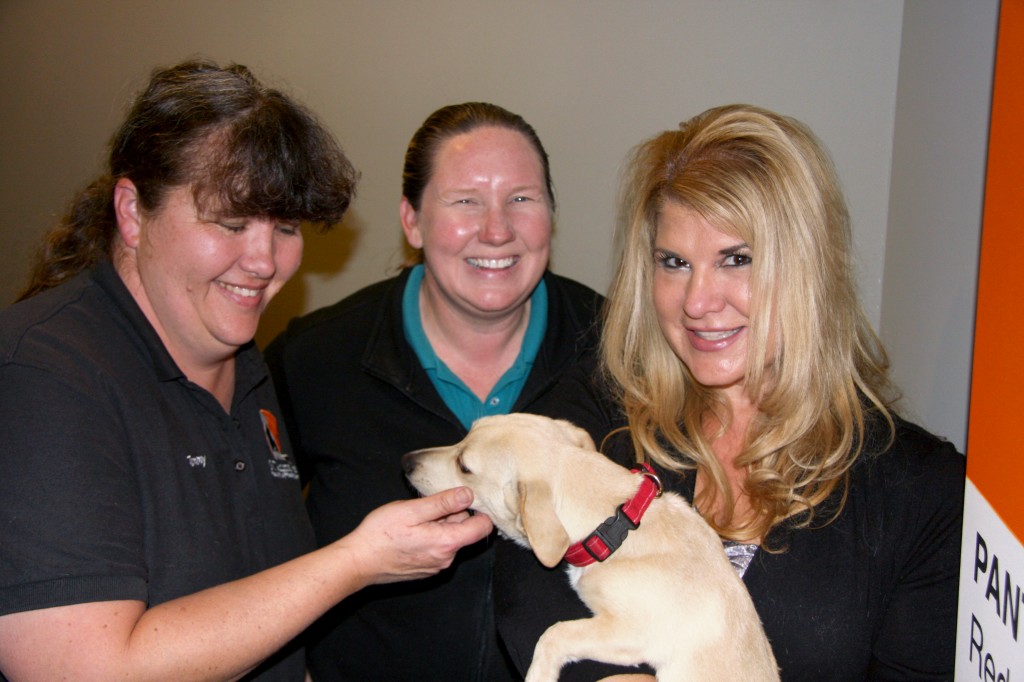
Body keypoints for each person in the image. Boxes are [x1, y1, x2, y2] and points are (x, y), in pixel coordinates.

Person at [0, 60, 492, 682]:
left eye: (285, 227)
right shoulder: (42, 378)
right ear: (132, 212)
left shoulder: (247, 368)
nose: (263, 261)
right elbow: (84, 668)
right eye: (231, 223)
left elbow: (260, 613)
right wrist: (356, 562)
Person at [493, 104, 966, 681]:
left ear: (807, 269)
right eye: (675, 262)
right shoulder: (601, 414)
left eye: (735, 260)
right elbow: (525, 573)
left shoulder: (921, 493)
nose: (696, 301)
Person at [264, 102, 610, 681]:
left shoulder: (618, 359)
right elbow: (246, 544)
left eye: (522, 199)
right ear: (412, 221)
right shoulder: (313, 361)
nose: (497, 230)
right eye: (465, 201)